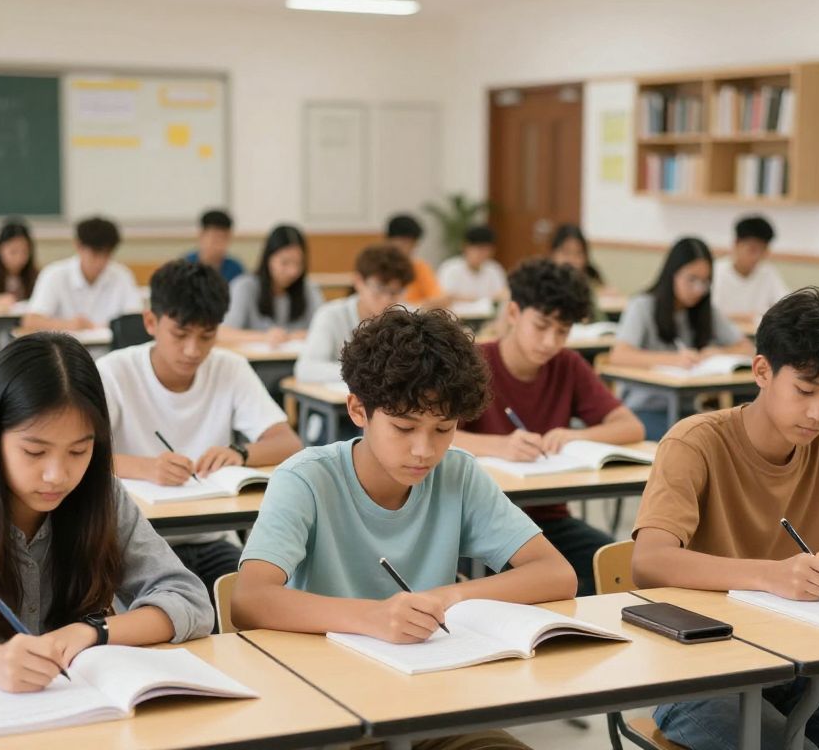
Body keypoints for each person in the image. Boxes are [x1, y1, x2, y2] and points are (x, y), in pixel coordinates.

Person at [232, 307, 575, 750]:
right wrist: (371, 618)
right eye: (403, 427)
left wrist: (448, 596)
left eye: (443, 429)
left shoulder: (458, 474)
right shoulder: (306, 479)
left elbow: (555, 573)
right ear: (358, 409)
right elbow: (250, 599)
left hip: (430, 700)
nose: (423, 450)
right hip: (326, 701)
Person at [631, 288, 819, 750]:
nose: (818, 414)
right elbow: (649, 561)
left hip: (798, 666)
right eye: (805, 391)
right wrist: (771, 576)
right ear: (762, 371)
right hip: (692, 671)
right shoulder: (694, 443)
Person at [0, 333, 213, 692]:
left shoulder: (101, 497)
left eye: (77, 452)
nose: (57, 475)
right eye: (35, 452)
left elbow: (190, 600)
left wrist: (92, 631)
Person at [97, 260, 301, 604]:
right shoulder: (113, 372)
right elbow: (81, 454)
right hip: (137, 543)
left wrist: (240, 453)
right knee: (157, 617)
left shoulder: (229, 367)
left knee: (253, 603)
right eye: (180, 335)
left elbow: (288, 442)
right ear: (151, 321)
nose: (193, 350)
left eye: (206, 336)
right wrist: (147, 467)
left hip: (211, 538)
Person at [455, 259, 645, 595]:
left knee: (620, 568)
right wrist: (498, 445)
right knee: (533, 588)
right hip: (479, 525)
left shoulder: (567, 365)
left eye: (562, 331)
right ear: (513, 313)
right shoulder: (473, 362)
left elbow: (630, 427)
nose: (549, 341)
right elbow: (438, 434)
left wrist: (575, 435)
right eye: (541, 326)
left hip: (548, 521)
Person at [609, 236, 754, 440]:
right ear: (672, 274)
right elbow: (619, 355)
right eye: (691, 279)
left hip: (687, 412)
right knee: (691, 442)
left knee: (726, 440)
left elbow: (746, 348)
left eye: (705, 282)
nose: (698, 289)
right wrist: (674, 360)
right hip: (645, 411)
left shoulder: (704, 310)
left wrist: (716, 353)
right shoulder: (642, 305)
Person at [294, 244, 414, 383]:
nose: (387, 299)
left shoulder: (408, 317)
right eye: (380, 289)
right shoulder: (331, 315)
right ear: (358, 282)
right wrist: (365, 373)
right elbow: (306, 369)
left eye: (395, 292)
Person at [23, 216, 141, 331]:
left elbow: (135, 320)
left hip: (111, 349)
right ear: (79, 246)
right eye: (95, 254)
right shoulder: (54, 275)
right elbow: (31, 321)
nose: (100, 262)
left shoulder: (122, 275)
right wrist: (68, 325)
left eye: (107, 254)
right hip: (65, 349)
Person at [222, 224, 323, 346]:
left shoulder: (309, 289)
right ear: (268, 259)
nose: (293, 271)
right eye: (285, 263)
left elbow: (324, 330)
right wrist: (264, 337)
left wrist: (290, 337)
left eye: (299, 263)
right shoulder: (244, 286)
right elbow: (223, 333)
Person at [712, 215, 788, 322]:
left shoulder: (767, 272)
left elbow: (786, 305)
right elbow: (709, 314)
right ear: (736, 244)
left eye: (763, 250)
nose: (757, 256)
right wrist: (748, 317)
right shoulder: (716, 272)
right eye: (752, 249)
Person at [385, 213, 448, 309]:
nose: (408, 248)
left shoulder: (419, 267)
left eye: (413, 244)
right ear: (389, 241)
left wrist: (410, 307)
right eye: (404, 242)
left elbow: (440, 299)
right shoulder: (378, 267)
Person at [549, 224, 609, 322]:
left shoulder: (586, 284)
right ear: (553, 254)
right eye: (566, 252)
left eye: (578, 253)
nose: (572, 260)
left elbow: (600, 321)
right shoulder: (544, 284)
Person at [437, 225, 507, 302]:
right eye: (479, 249)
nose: (482, 254)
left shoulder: (494, 269)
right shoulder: (450, 268)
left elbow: (503, 295)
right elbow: (443, 298)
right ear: (465, 247)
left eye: (487, 250)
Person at [183, 209, 244, 284]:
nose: (219, 245)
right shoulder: (185, 266)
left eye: (223, 238)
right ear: (201, 235)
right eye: (214, 238)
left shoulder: (235, 269)